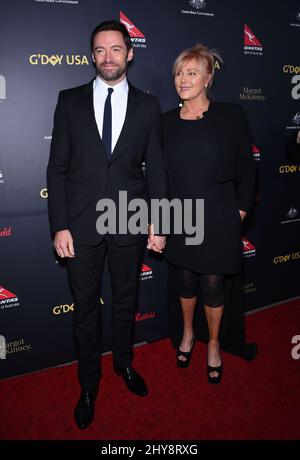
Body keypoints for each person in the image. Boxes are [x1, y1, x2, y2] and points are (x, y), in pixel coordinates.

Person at [47, 20, 167, 429]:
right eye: (100, 50)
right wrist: (59, 225)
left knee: (125, 302)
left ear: (130, 53)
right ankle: (88, 383)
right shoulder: (69, 101)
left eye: (116, 49)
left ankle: (124, 365)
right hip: (79, 226)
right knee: (84, 310)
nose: (108, 57)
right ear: (92, 55)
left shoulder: (150, 106)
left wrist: (159, 221)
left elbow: (158, 172)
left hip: (129, 221)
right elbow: (56, 169)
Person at [163, 44, 256, 384]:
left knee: (213, 285)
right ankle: (188, 333)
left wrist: (241, 211)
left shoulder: (230, 115)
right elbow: (158, 176)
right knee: (185, 280)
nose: (183, 79)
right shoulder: (165, 123)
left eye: (191, 73)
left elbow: (247, 168)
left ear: (208, 78)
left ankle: (214, 343)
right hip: (180, 216)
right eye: (178, 73)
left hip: (218, 216)